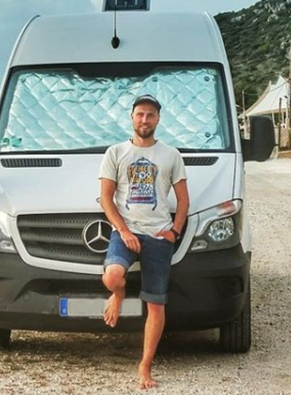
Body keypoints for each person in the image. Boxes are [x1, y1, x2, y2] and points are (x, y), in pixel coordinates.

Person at [99, 94, 189, 390]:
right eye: (140, 114)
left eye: (150, 115)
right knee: (112, 277)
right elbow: (106, 198)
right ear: (132, 117)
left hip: (158, 235)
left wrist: (174, 231)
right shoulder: (115, 152)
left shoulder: (170, 155)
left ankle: (145, 366)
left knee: (155, 305)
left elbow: (183, 199)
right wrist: (123, 231)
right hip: (125, 232)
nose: (145, 120)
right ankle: (119, 294)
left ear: (158, 119)